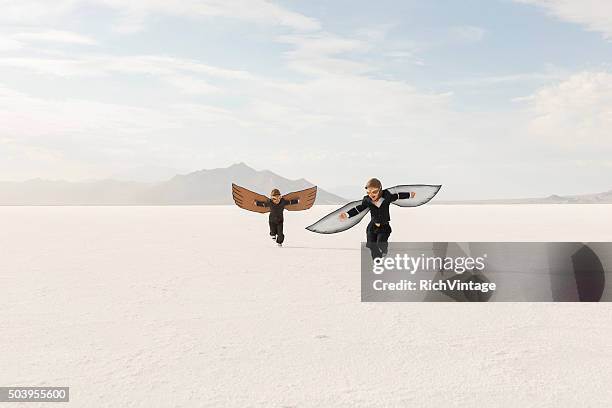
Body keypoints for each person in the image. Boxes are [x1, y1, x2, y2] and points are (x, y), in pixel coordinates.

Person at [339, 178, 415, 259]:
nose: (371, 194)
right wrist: (347, 214)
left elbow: (398, 196)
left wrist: (410, 195)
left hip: (384, 226)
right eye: (368, 192)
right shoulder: (367, 200)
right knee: (372, 244)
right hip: (373, 226)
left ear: (380, 190)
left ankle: (384, 250)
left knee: (381, 242)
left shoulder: (387, 197)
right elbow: (359, 209)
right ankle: (376, 260)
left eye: (374, 192)